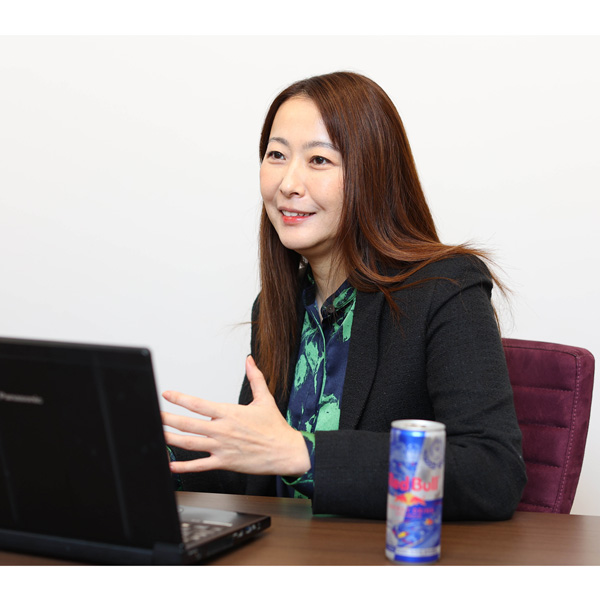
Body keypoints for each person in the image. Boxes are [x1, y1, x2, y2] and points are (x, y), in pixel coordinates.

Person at [161, 71, 527, 521]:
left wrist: (302, 453)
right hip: (283, 554)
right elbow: (255, 471)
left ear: (374, 175)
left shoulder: (446, 288)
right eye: (276, 155)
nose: (288, 183)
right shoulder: (278, 304)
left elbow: (492, 470)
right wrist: (154, 458)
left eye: (319, 160)